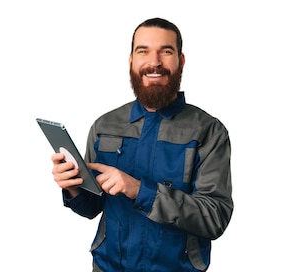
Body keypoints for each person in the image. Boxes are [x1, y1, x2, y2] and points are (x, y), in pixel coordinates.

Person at [50, 17, 233, 271]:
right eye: (143, 51)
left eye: (166, 51)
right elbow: (92, 208)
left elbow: (215, 217)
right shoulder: (105, 126)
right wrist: (73, 188)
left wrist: (139, 190)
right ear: (131, 61)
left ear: (180, 61)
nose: (154, 62)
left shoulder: (208, 131)